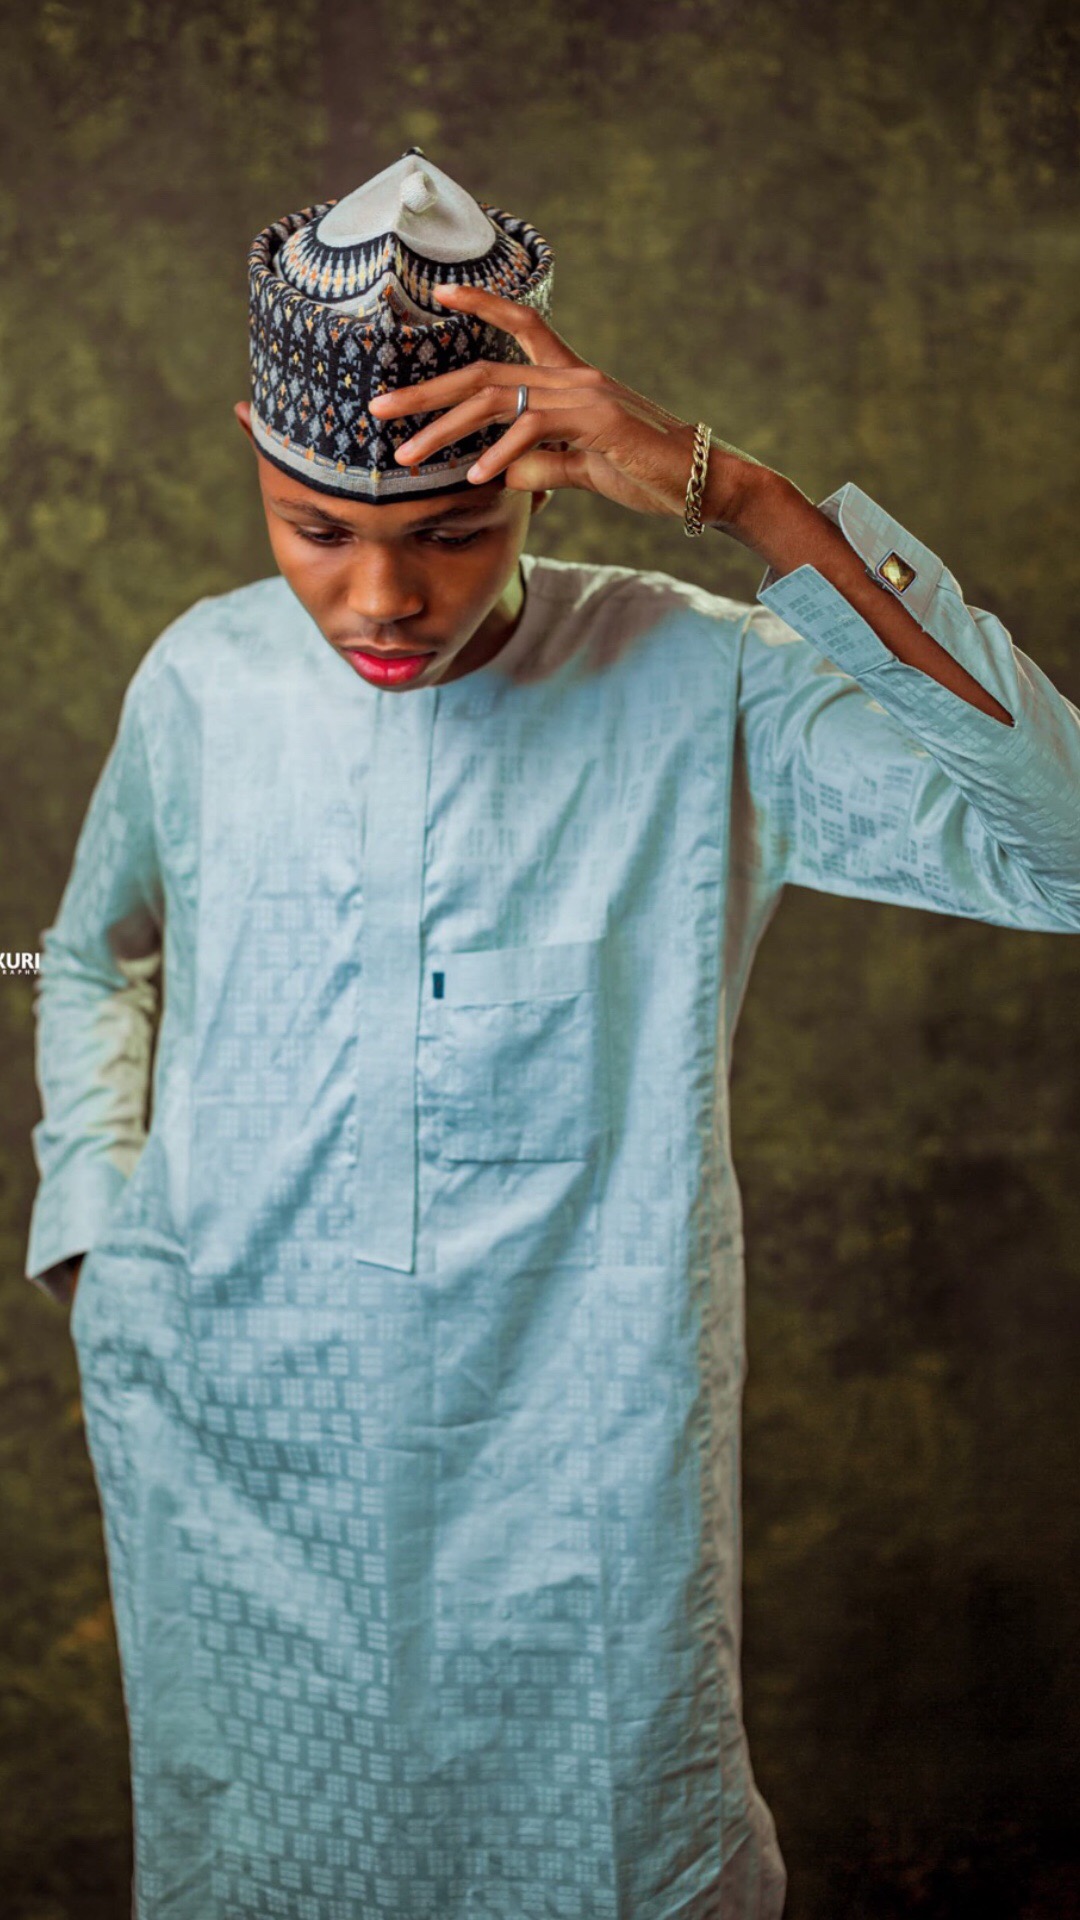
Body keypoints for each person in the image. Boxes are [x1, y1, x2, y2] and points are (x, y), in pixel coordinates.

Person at [26, 148, 1080, 1920]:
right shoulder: (201, 678)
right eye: (317, 532)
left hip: (576, 1478)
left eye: (449, 534)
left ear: (538, 479)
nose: (380, 599)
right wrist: (96, 1230)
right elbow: (83, 953)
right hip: (234, 1437)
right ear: (253, 452)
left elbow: (1062, 851)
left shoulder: (702, 683)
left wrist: (742, 499)